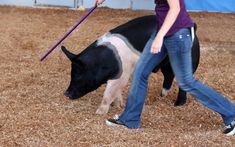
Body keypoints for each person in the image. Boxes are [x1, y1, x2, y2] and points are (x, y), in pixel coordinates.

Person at [95, 0, 235, 136]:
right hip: (163, 31)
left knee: (186, 82)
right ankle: (130, 119)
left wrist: (160, 37)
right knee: (140, 72)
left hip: (177, 34)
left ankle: (232, 114)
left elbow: (175, 8)